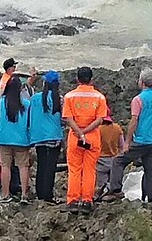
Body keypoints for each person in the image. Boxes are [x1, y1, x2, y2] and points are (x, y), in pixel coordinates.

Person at [103, 68, 152, 203]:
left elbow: (134, 121)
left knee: (118, 161)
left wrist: (127, 142)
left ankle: (115, 190)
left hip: (141, 140)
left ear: (141, 82)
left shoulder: (138, 99)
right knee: (151, 170)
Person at [62, 67, 108, 214]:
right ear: (91, 80)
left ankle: (73, 200)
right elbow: (100, 119)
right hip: (92, 137)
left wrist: (79, 132)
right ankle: (87, 200)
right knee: (90, 170)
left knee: (74, 169)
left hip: (75, 137)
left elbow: (68, 119)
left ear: (77, 79)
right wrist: (86, 131)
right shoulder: (99, 97)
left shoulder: (69, 96)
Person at [0, 76, 31, 204]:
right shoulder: (27, 104)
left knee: (5, 166)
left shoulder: (1, 102)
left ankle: (5, 194)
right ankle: (24, 195)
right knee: (23, 166)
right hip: (21, 139)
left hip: (3, 139)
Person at [29, 70, 63, 203]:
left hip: (38, 136)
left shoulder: (35, 98)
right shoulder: (58, 99)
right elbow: (64, 119)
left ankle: (40, 193)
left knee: (42, 165)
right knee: (50, 166)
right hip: (54, 136)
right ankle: (48, 195)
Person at [96, 110, 124, 193]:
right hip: (114, 160)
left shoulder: (98, 129)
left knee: (101, 186)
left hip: (100, 161)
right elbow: (122, 145)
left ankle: (104, 194)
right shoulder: (117, 128)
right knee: (113, 183)